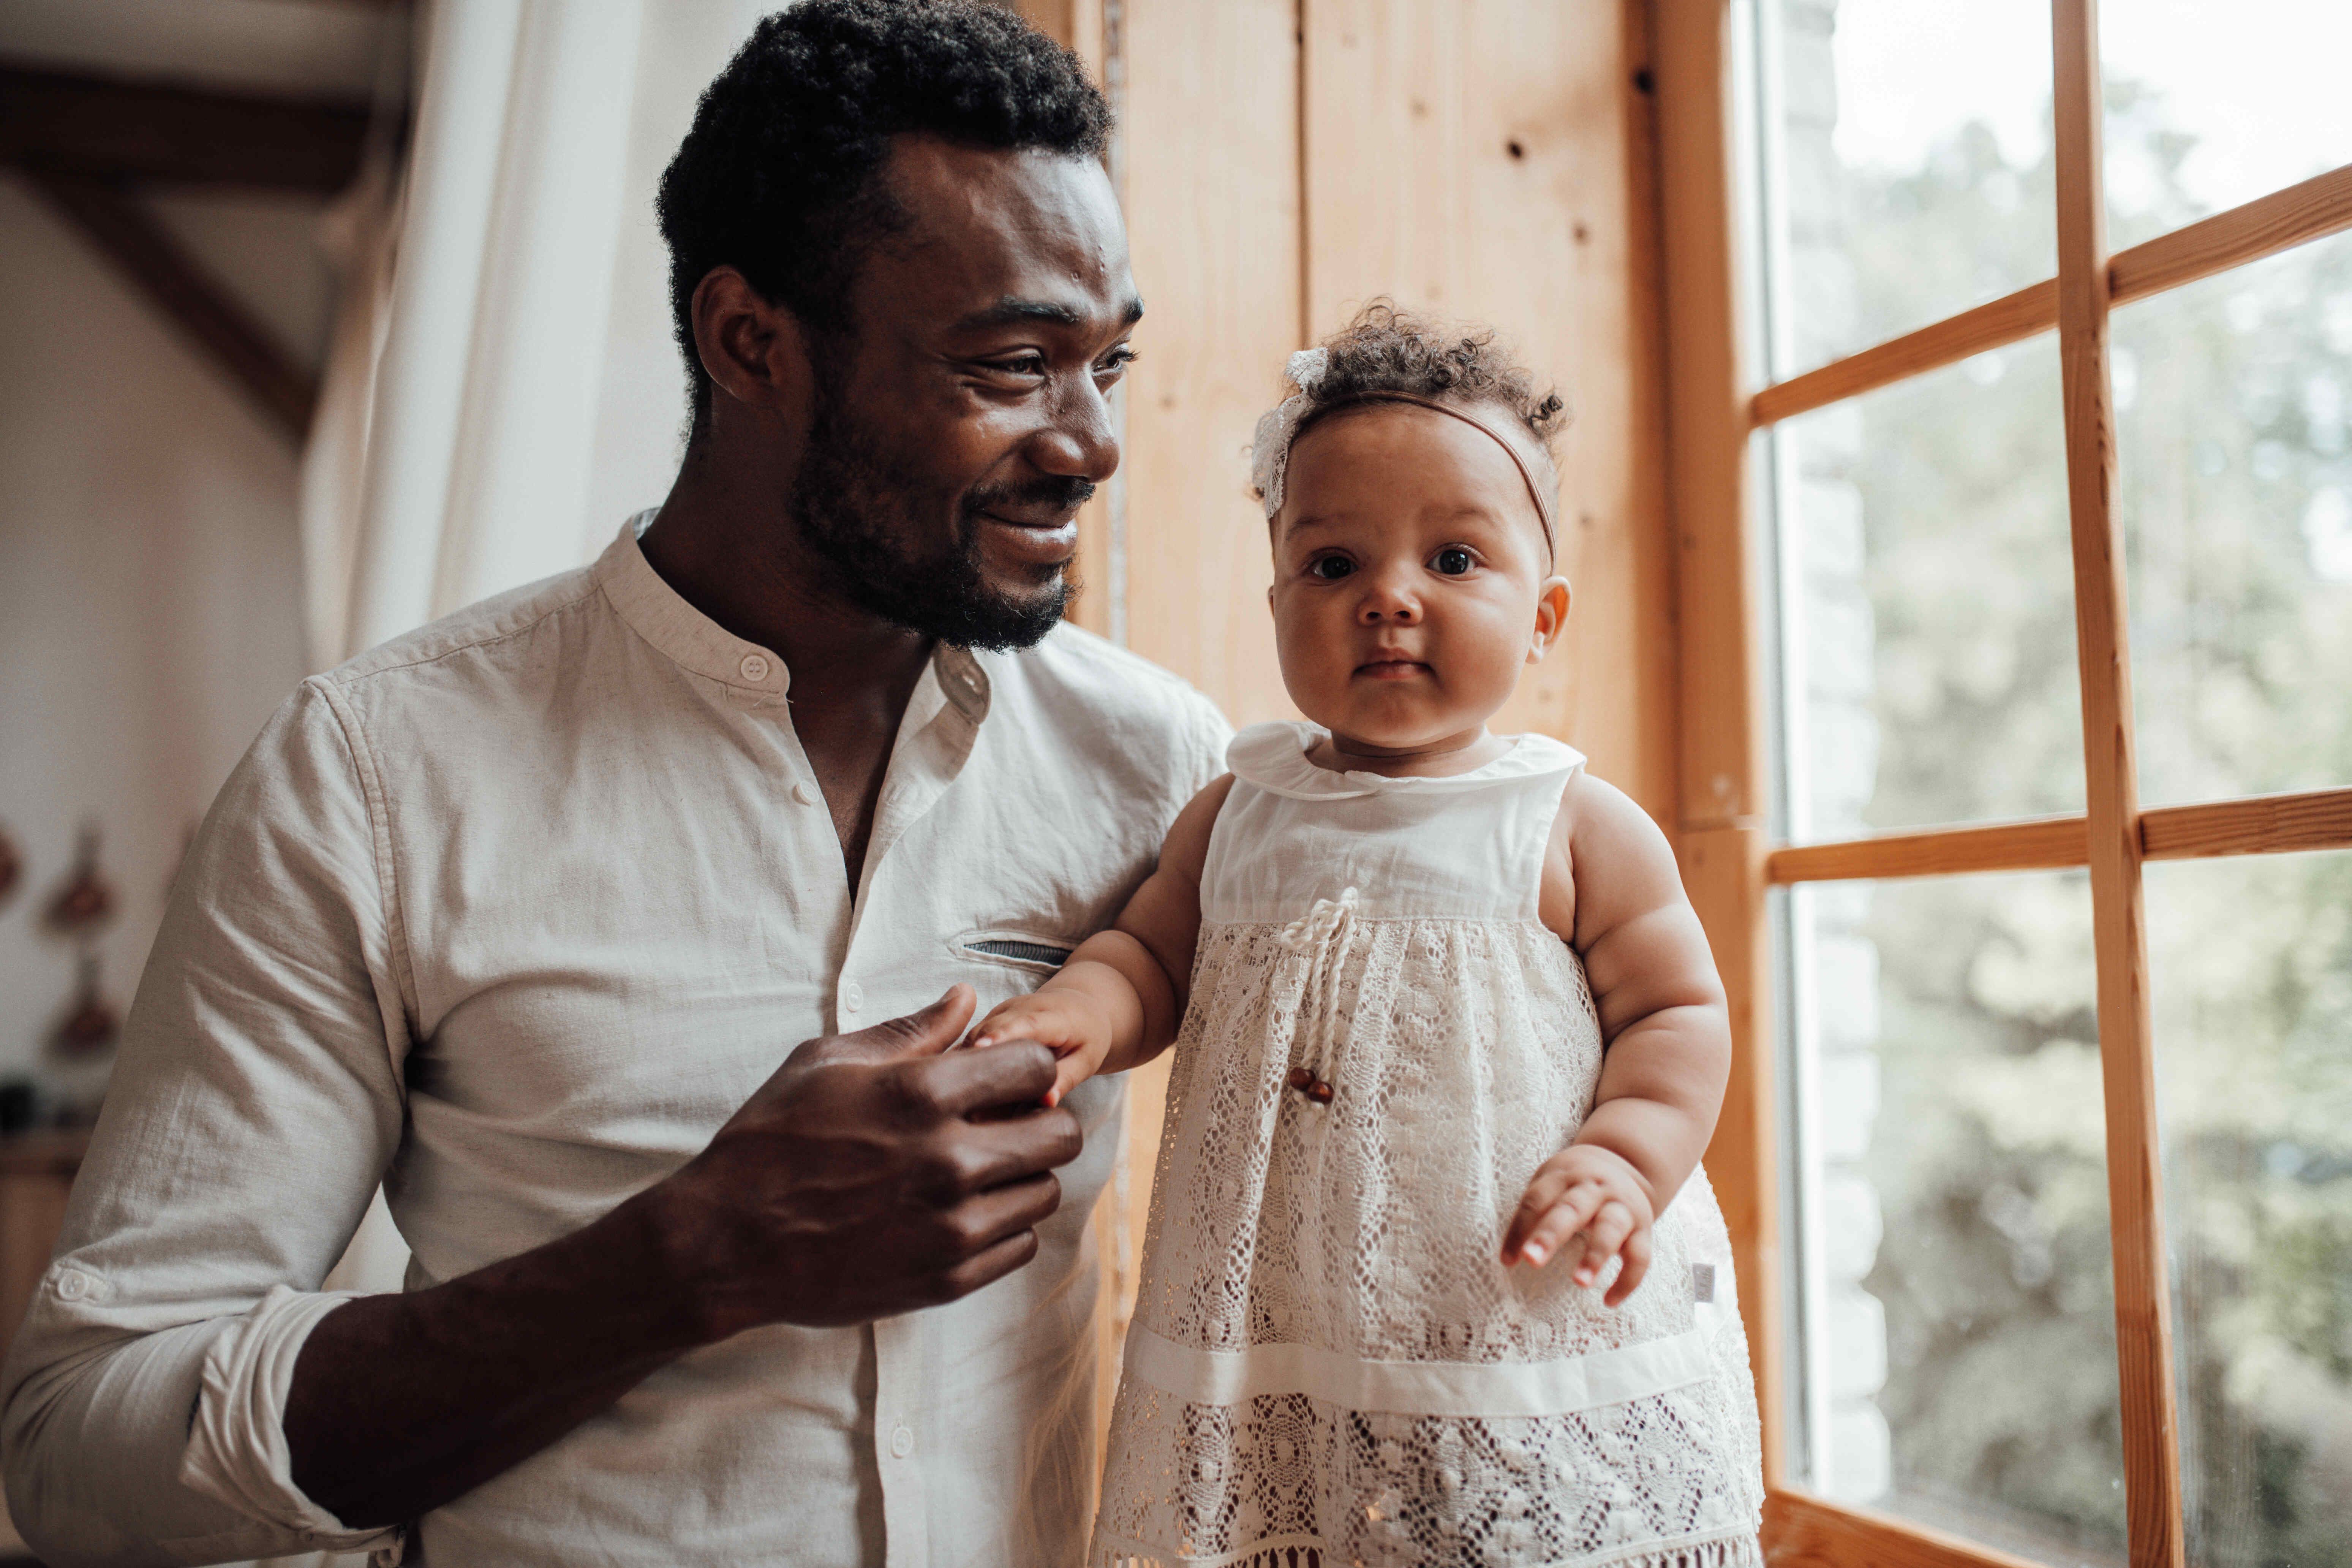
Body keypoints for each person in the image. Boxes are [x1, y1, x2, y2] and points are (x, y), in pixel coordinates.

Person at [0, 4, 1228, 1565]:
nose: (1095, 441)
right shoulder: (377, 777)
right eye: (1012, 366)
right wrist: (684, 1262)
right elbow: (79, 1452)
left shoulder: (1159, 765)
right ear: (749, 343)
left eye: (1109, 363)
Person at [967, 307, 1767, 1566]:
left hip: (1508, 1304)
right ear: (1279, 596)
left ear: (1544, 615)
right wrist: (1081, 1011)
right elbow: (1153, 956)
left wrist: (1628, 1156)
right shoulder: (1241, 809)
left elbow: (1675, 1013)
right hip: (1285, 1309)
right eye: (1335, 565)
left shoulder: (1567, 825)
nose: (1389, 599)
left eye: (1454, 562)